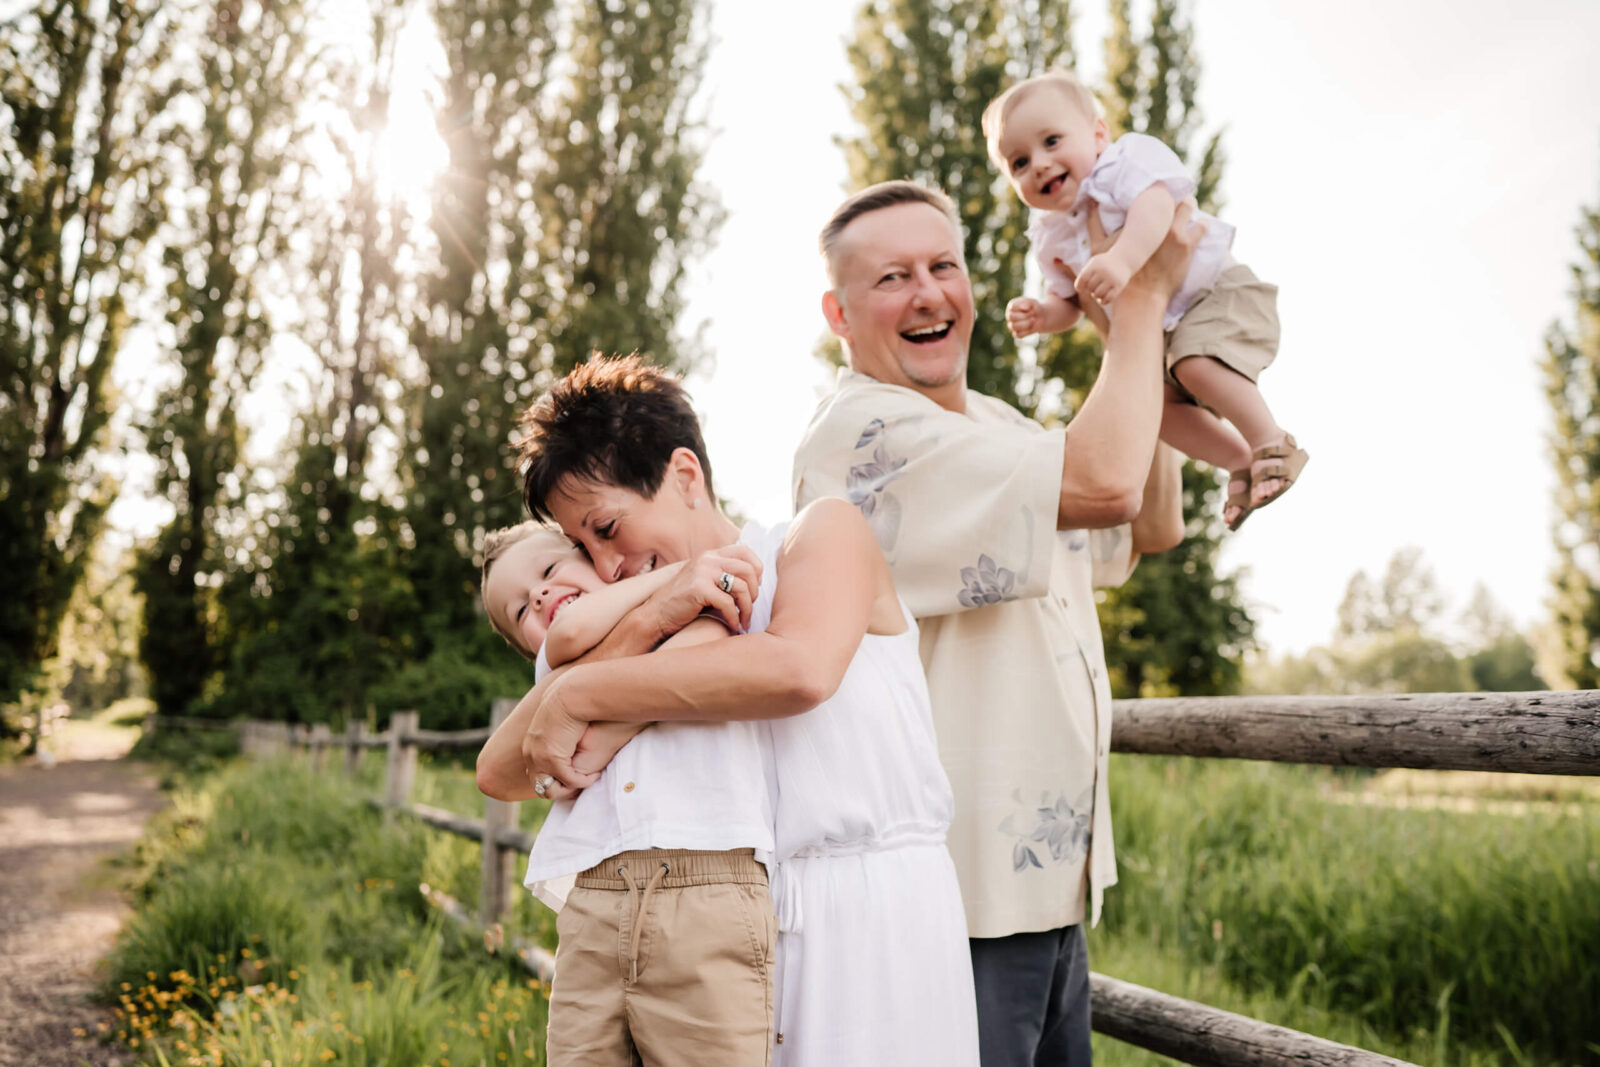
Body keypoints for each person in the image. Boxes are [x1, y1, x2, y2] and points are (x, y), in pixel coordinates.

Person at [791, 179, 1194, 1067]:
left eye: (944, 266)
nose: (930, 293)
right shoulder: (860, 434)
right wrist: (1145, 298)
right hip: (953, 900)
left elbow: (1150, 522)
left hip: (1050, 892)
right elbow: (1107, 482)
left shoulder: (1000, 425)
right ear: (839, 312)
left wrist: (1145, 342)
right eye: (893, 277)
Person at [478, 356, 980, 1067]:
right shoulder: (643, 615)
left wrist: (577, 695)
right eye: (582, 548)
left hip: (869, 928)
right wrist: (642, 621)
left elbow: (798, 668)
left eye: (608, 527)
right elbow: (502, 767)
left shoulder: (815, 536)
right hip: (740, 932)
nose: (606, 565)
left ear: (685, 475)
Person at [985, 69, 1307, 530]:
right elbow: (1071, 302)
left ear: (1098, 134)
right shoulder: (1050, 236)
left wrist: (1120, 261)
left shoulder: (1122, 163)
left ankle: (1272, 441)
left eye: (1052, 141)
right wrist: (1043, 315)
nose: (1037, 163)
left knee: (1194, 365)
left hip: (1216, 294)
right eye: (1018, 162)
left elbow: (1157, 209)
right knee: (1153, 410)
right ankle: (1239, 460)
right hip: (1164, 333)